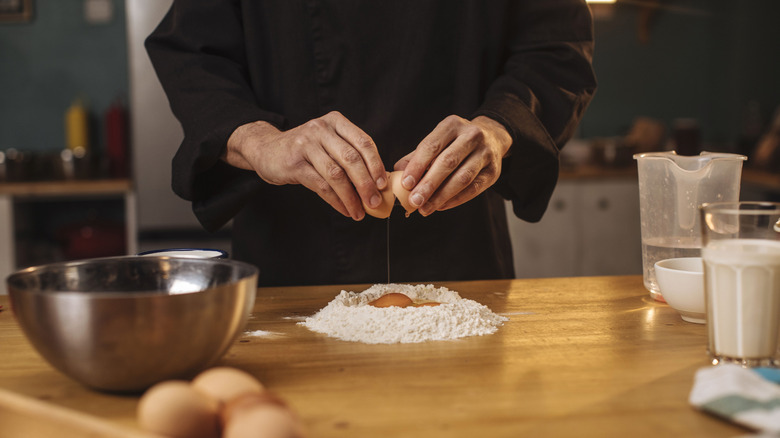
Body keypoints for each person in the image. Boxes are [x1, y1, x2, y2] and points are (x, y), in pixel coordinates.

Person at [145, 0, 597, 287]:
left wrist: (500, 127)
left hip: (460, 246)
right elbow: (191, 50)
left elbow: (558, 47)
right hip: (291, 254)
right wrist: (261, 141)